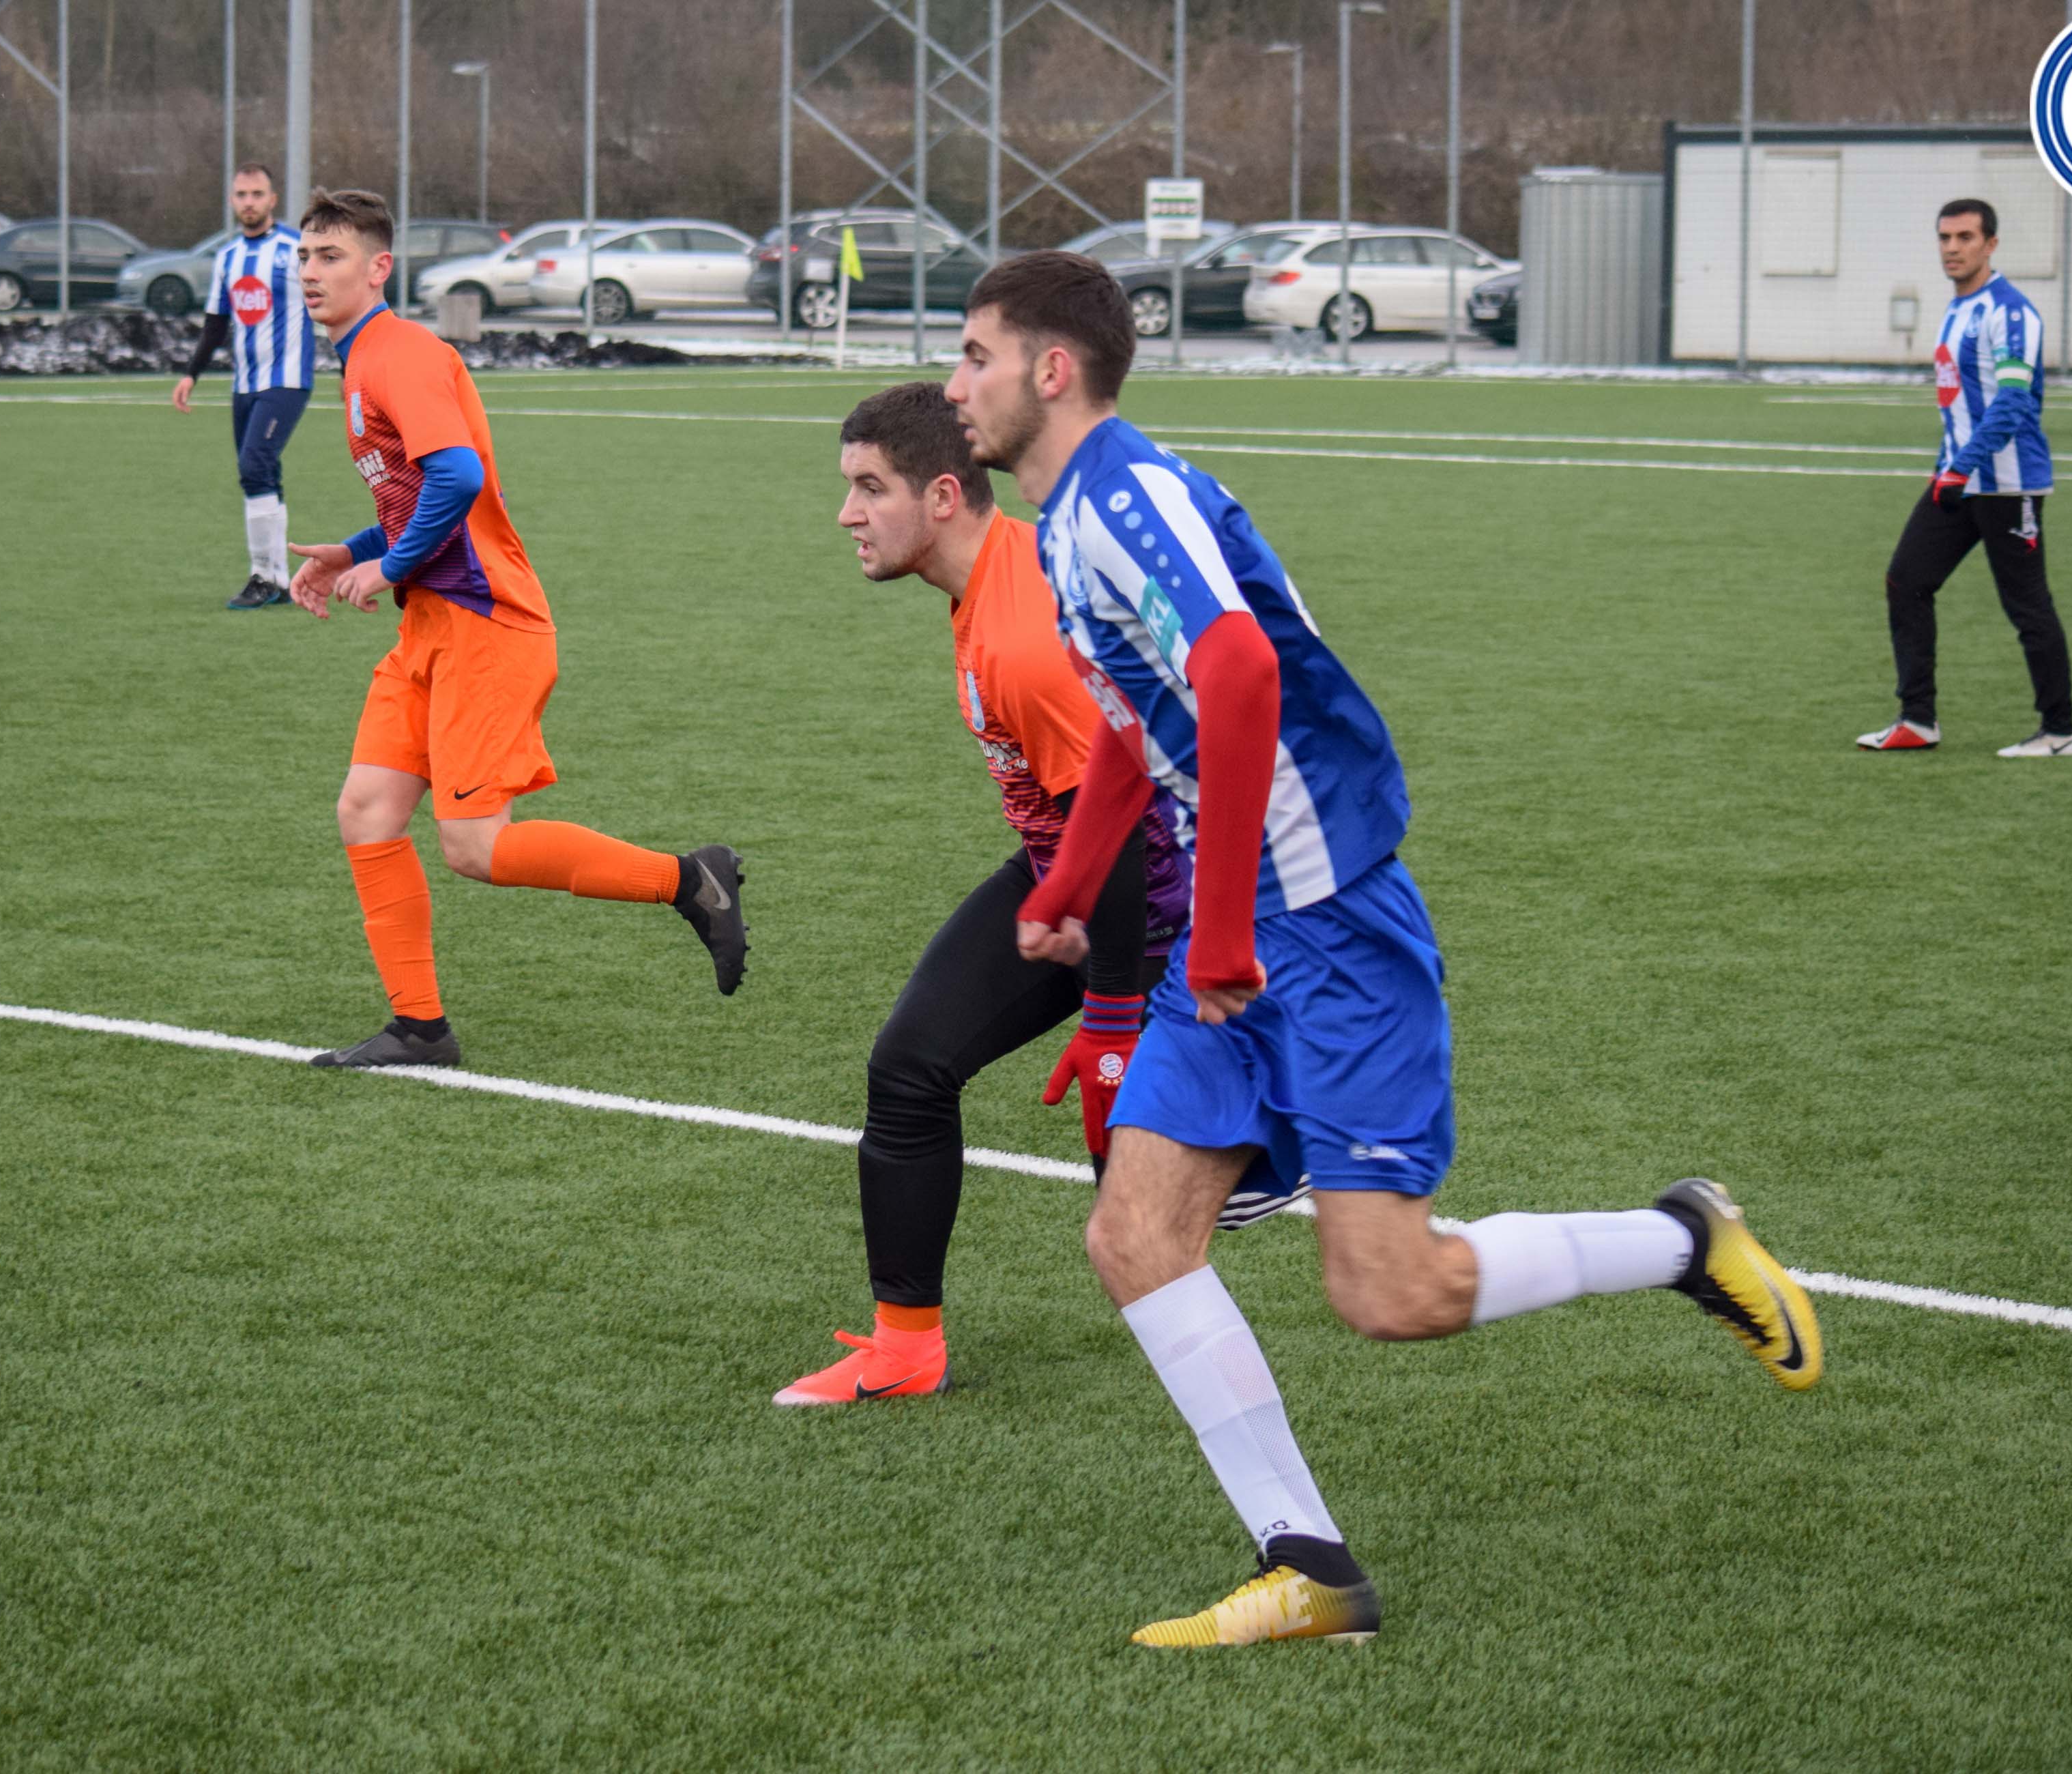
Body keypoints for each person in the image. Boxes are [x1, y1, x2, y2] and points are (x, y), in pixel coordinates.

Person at [944, 251, 1822, 1650]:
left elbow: (1237, 670)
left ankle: (1681, 1240)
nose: (955, 383)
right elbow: (1133, 721)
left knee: (1391, 1293)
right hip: (1241, 932)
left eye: (976, 354)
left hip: (1327, 922)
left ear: (1052, 370)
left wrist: (1215, 925)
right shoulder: (1064, 526)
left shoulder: (1124, 498)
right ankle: (1309, 1567)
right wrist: (1071, 878)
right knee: (1133, 1233)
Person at [777, 383, 1274, 1408]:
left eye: (870, 488)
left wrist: (1114, 1019)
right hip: (1066, 875)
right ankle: (905, 1348)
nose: (846, 514)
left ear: (943, 495)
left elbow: (1128, 822)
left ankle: (1280, 1151)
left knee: (1146, 1214)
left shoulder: (1020, 632)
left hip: (1155, 902)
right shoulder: (990, 580)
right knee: (911, 1069)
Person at [283, 189, 748, 1069]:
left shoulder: (399, 352)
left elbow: (458, 478)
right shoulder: (362, 359)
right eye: (303, 255)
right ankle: (420, 1028)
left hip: (485, 623)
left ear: (379, 268)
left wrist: (388, 564)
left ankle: (690, 879)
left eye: (330, 255)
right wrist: (352, 550)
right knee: (367, 810)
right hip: (432, 625)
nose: (310, 271)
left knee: (474, 846)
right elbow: (423, 499)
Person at [1858, 199, 2072, 757]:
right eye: (1945, 238)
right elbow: (1956, 404)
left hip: (2008, 485)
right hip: (1957, 480)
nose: (1952, 248)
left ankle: (2059, 732)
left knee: (2027, 606)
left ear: (1991, 245)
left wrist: (1960, 466)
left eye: (1965, 237)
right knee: (1906, 581)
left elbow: (2012, 403)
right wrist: (1945, 466)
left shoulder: (2011, 312)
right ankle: (1918, 720)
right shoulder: (1957, 311)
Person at [173, 163, 314, 611]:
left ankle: (261, 575)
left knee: (254, 465)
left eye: (257, 194)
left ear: (273, 199)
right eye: (241, 195)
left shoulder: (297, 249)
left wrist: (353, 366)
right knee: (263, 474)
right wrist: (191, 373)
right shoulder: (228, 257)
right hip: (245, 383)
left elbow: (330, 303)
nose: (249, 202)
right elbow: (216, 323)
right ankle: (280, 581)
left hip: (287, 380)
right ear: (233, 201)